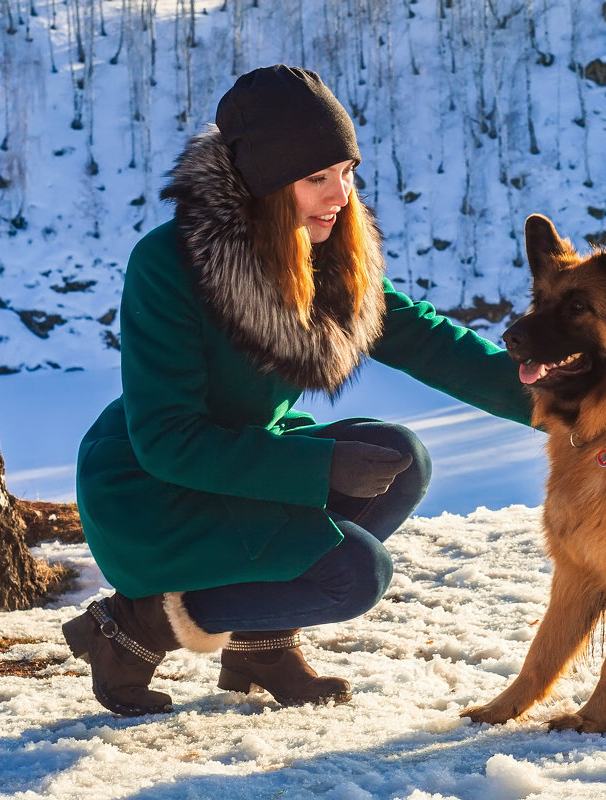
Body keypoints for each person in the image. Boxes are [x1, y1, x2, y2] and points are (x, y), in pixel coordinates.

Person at [62, 65, 532, 716]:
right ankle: (134, 628)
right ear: (263, 182)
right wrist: (320, 468)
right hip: (154, 493)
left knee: (401, 459)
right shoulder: (170, 264)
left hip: (243, 466)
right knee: (354, 576)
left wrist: (560, 404)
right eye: (318, 178)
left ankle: (261, 644)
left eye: (347, 172)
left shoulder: (322, 253)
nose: (340, 195)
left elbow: (421, 337)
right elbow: (167, 441)